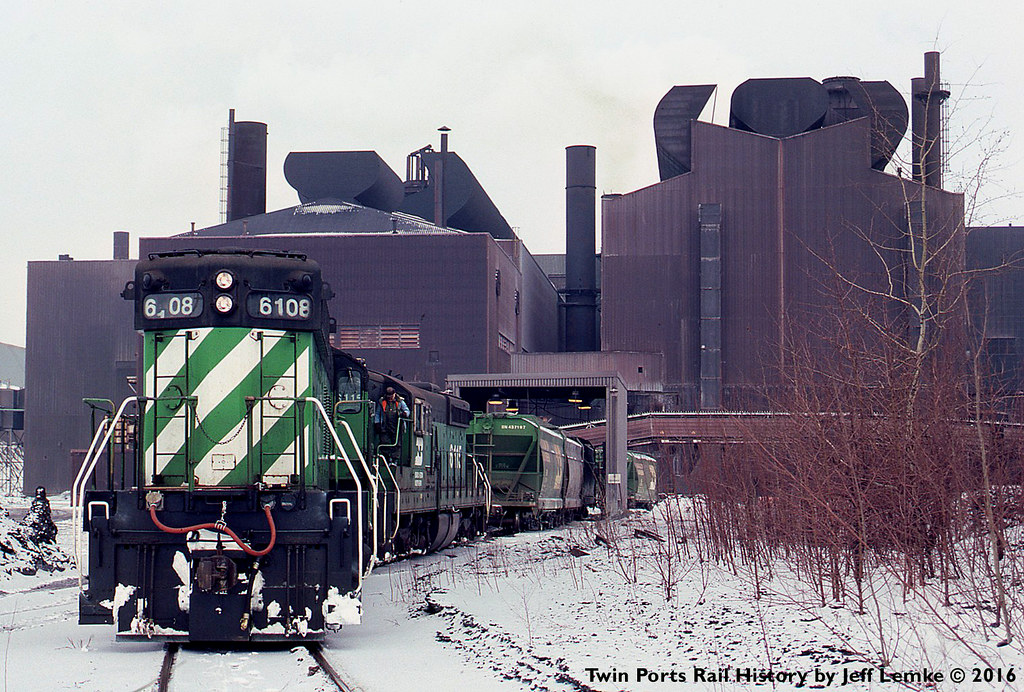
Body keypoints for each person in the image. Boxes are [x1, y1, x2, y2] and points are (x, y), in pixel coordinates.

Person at [374, 386, 410, 455]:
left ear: (394, 394)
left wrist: (405, 414)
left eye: (391, 396)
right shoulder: (381, 402)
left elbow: (407, 410)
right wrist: (377, 423)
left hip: (397, 426)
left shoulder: (400, 401)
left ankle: (394, 459)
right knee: (384, 441)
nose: (390, 398)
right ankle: (387, 458)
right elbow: (378, 413)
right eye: (388, 396)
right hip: (385, 425)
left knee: (397, 443)